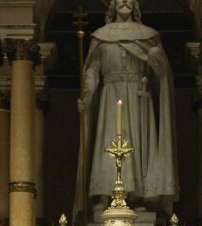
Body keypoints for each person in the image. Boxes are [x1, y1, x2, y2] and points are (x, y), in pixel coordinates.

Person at [75, 0, 177, 214]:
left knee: (137, 143)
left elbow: (162, 75)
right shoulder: (100, 36)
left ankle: (135, 195)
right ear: (111, 5)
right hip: (110, 95)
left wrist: (157, 61)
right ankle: (105, 195)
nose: (124, 2)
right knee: (108, 140)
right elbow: (92, 70)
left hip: (139, 96)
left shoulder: (148, 36)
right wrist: (88, 94)